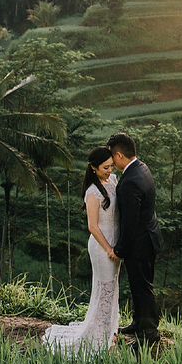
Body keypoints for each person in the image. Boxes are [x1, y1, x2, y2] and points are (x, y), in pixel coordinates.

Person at [41, 146, 121, 353]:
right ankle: (99, 337)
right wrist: (109, 249)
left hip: (115, 245)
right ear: (93, 168)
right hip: (102, 246)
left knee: (112, 288)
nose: (110, 170)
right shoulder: (92, 192)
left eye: (111, 166)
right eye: (105, 167)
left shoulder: (112, 181)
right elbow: (92, 226)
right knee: (105, 289)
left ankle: (110, 331)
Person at [107, 132, 163, 347]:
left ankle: (149, 333)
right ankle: (139, 322)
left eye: (113, 157)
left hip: (140, 242)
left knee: (141, 286)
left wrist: (120, 249)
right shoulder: (142, 168)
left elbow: (130, 222)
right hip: (149, 235)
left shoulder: (130, 181)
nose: (111, 162)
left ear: (119, 155)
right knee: (140, 284)